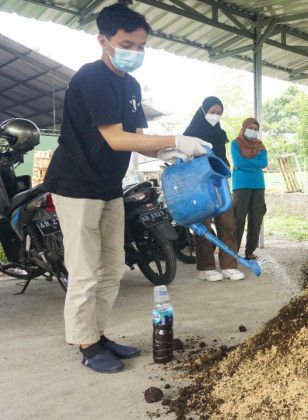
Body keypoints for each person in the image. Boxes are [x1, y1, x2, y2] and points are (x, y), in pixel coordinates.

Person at [43, 4, 210, 373]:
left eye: (141, 46)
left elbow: (135, 137)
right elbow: (117, 140)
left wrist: (168, 150)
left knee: (113, 266)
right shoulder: (91, 78)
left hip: (107, 185)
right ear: (103, 40)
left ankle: (98, 333)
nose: (135, 52)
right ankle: (86, 344)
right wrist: (177, 139)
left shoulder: (131, 85)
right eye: (126, 44)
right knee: (85, 269)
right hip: (76, 184)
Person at [183, 97, 244, 281]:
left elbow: (222, 158)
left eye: (219, 113)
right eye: (212, 112)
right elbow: (185, 160)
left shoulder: (219, 134)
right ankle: (206, 267)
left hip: (219, 182)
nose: (215, 116)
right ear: (203, 111)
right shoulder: (190, 134)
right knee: (203, 225)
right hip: (199, 184)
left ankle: (229, 265)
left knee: (227, 222)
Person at [231, 118, 267, 261]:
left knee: (256, 219)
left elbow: (263, 162)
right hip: (241, 185)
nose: (253, 131)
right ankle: (233, 251)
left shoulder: (260, 145)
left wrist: (246, 162)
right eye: (251, 127)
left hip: (258, 185)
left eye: (256, 129)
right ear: (244, 127)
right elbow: (237, 161)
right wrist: (254, 164)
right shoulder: (236, 143)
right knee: (238, 219)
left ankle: (250, 251)